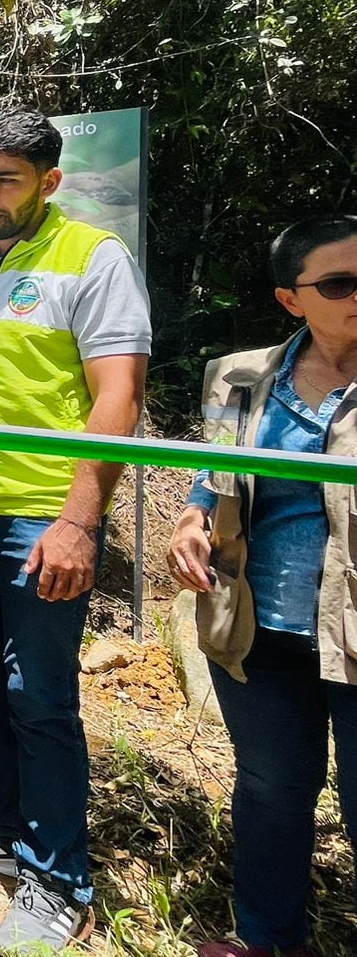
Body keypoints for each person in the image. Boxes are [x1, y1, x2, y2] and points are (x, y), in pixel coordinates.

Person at [0, 106, 150, 953]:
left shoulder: (92, 256)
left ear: (50, 182)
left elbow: (117, 395)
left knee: (39, 698)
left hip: (41, 516)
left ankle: (59, 879)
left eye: (4, 181)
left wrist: (80, 521)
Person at [168, 215, 357, 957]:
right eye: (340, 283)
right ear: (290, 300)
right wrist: (191, 519)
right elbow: (212, 477)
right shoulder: (240, 377)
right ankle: (267, 939)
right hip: (260, 624)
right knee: (274, 789)